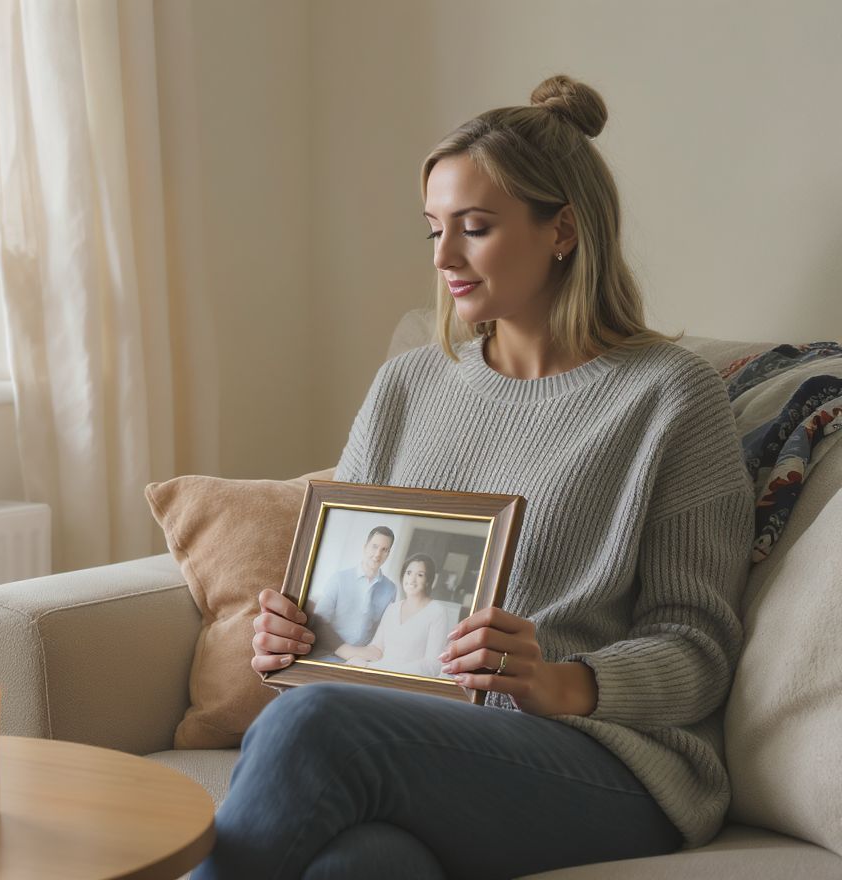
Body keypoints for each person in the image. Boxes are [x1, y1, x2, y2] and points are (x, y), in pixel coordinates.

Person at [194, 74, 753, 880]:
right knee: (361, 865)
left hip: (606, 764)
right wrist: (297, 637)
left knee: (316, 725)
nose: (444, 258)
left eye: (476, 228)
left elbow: (700, 648)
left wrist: (561, 682)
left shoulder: (669, 395)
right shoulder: (408, 385)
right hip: (425, 744)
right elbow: (342, 599)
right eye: (433, 230)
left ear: (562, 230)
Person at [346, 553, 452, 678]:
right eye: (408, 573)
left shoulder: (437, 611)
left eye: (420, 575)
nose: (411, 580)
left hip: (407, 683)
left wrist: (375, 669)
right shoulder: (392, 608)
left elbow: (432, 665)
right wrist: (355, 658)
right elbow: (377, 648)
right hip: (378, 675)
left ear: (428, 580)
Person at [306, 526, 397, 661]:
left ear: (388, 554)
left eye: (384, 550)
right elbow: (318, 623)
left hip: (362, 659)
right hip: (329, 653)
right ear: (365, 547)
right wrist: (346, 651)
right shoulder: (339, 579)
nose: (378, 554)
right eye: (374, 546)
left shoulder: (390, 589)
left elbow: (382, 630)